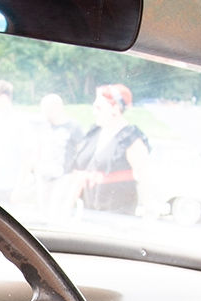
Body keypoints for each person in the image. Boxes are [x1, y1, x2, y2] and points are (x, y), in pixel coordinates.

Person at [70, 83, 150, 215]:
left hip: (117, 221)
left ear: (116, 108)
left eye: (99, 107)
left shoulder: (130, 139)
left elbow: (145, 181)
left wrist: (148, 215)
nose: (94, 112)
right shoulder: (94, 133)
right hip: (87, 215)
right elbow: (78, 176)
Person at [33, 93, 82, 224]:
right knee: (43, 211)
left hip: (63, 176)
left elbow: (80, 152)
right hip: (43, 175)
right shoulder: (42, 126)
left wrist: (75, 176)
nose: (44, 112)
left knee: (57, 211)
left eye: (47, 108)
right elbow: (37, 148)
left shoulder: (73, 127)